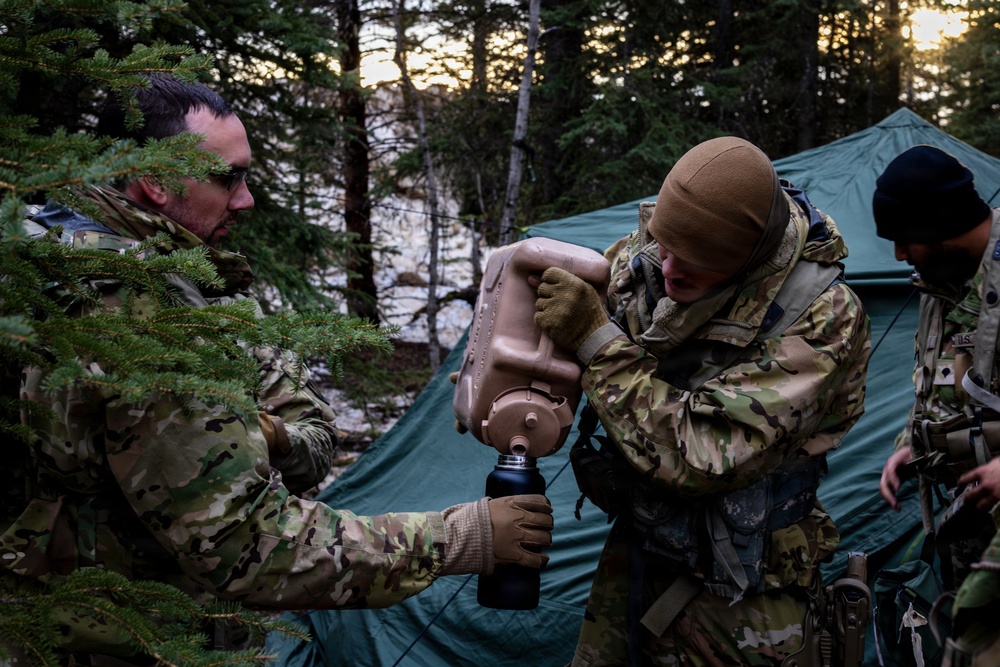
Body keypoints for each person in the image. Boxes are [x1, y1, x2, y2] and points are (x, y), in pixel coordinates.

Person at [1, 74, 553, 663]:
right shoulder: (141, 306)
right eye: (227, 177)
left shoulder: (69, 254)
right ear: (154, 183)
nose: (246, 199)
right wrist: (459, 538)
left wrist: (261, 432)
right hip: (125, 642)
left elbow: (312, 429)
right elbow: (248, 547)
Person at [533, 136, 870, 665]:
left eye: (694, 266)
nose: (668, 271)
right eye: (664, 248)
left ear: (747, 261)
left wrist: (596, 341)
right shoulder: (655, 251)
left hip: (740, 597)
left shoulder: (820, 315)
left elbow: (700, 455)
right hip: (640, 554)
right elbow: (591, 323)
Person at [873, 145, 1000, 665]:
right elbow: (941, 379)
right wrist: (912, 443)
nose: (900, 255)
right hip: (966, 524)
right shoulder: (940, 283)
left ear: (941, 223)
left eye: (906, 240)